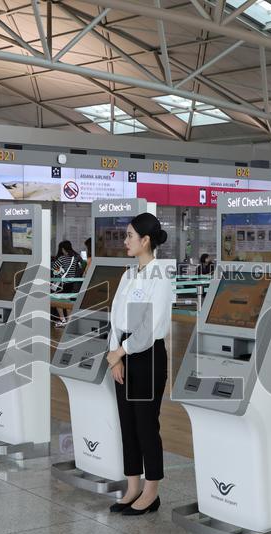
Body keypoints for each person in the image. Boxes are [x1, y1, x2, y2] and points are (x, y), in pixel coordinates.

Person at [105, 213, 174, 516]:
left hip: (147, 357)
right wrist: (114, 355)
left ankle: (151, 491)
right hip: (122, 356)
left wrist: (121, 352)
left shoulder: (161, 275)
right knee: (128, 425)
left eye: (130, 236)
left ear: (146, 240)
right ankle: (132, 486)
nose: (125, 241)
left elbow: (150, 326)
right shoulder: (128, 274)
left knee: (147, 426)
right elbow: (115, 317)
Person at [51, 240, 82, 327]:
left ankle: (62, 319)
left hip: (61, 283)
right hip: (70, 283)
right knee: (67, 302)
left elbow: (54, 269)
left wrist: (60, 271)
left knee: (57, 300)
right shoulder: (74, 258)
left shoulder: (62, 258)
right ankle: (69, 320)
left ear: (63, 249)